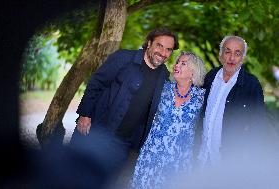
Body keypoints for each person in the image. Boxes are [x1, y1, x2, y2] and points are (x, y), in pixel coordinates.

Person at [69, 27, 179, 186]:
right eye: (159, 46)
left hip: (123, 144)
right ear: (149, 43)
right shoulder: (123, 58)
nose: (163, 52)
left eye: (168, 49)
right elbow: (96, 83)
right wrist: (85, 115)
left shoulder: (164, 76)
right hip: (97, 130)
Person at [129, 52, 206, 189]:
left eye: (183, 63)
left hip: (178, 162)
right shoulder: (162, 89)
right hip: (151, 155)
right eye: (177, 62)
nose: (177, 65)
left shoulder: (201, 98)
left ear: (193, 71)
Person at [196, 35, 266, 167]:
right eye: (227, 52)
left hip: (228, 162)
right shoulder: (210, 77)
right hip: (202, 158)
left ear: (243, 58)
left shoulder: (251, 85)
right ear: (220, 55)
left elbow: (258, 126)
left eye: (237, 53)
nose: (232, 58)